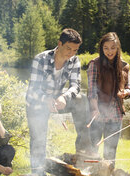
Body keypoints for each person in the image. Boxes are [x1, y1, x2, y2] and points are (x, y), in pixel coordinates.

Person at [26, 28, 91, 176]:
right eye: (68, 48)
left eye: (75, 50)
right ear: (59, 44)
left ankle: (83, 151)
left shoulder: (74, 60)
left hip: (57, 100)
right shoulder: (40, 59)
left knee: (81, 99)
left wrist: (65, 97)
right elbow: (33, 90)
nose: (71, 53)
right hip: (37, 103)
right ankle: (38, 173)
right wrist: (45, 99)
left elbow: (76, 86)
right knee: (38, 140)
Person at [87, 32, 130, 169]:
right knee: (93, 151)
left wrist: (126, 93)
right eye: (106, 48)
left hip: (116, 115)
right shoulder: (95, 64)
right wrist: (95, 109)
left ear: (118, 47)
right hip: (98, 113)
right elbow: (92, 90)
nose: (109, 51)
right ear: (101, 48)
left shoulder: (124, 65)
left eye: (112, 47)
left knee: (111, 153)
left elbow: (129, 89)